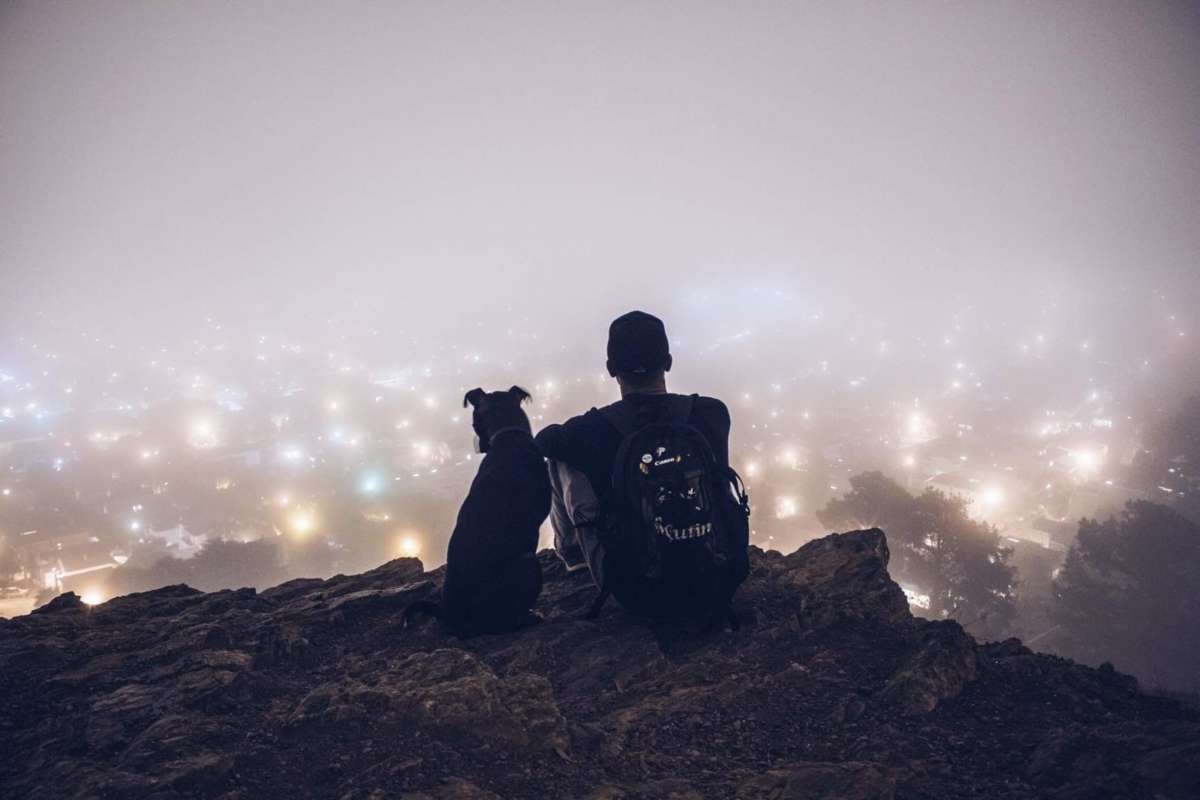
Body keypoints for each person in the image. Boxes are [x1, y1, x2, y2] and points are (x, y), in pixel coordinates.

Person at [535, 310, 732, 575]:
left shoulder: (590, 430)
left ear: (610, 368)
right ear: (669, 362)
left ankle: (574, 555)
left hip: (635, 590)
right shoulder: (712, 413)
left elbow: (543, 442)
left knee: (558, 458)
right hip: (717, 574)